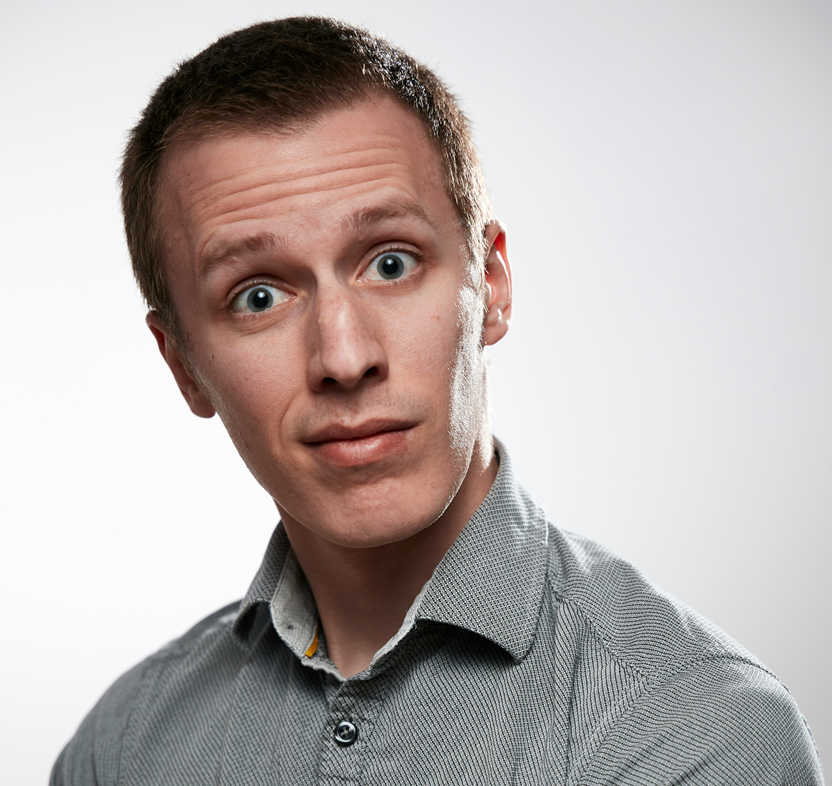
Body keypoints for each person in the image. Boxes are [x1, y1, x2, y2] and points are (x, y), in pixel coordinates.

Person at [52, 17, 823, 785]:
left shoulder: (698, 732)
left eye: (390, 263)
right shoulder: (121, 749)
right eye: (259, 296)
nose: (344, 357)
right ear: (183, 363)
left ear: (489, 286)